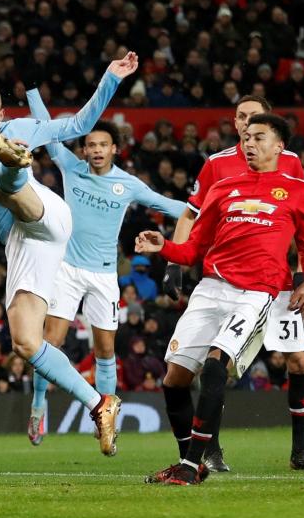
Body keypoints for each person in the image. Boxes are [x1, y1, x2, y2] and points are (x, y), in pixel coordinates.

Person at [0, 50, 139, 455]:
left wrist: (111, 78)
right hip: (25, 243)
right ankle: (100, 403)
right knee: (26, 343)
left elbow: (81, 124)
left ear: (2, 118)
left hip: (47, 214)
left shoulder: (23, 129)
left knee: (2, 185)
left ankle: (13, 166)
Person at [137, 114, 304, 485]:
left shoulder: (299, 190)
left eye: (259, 137)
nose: (249, 143)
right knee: (174, 379)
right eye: (246, 137)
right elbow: (194, 249)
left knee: (215, 366)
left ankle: (191, 466)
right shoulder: (223, 188)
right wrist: (165, 248)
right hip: (210, 288)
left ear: (279, 146)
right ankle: (187, 459)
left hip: (255, 295)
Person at [19, 106, 184, 445]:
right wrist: (33, 91)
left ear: (114, 149)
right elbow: (48, 133)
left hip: (105, 276)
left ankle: (104, 420)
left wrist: (220, 209)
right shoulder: (70, 167)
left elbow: (170, 206)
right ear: (83, 149)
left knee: (105, 350)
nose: (95, 150)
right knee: (50, 343)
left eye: (102, 145)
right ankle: (38, 406)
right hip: (66, 269)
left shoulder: (128, 184)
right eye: (90, 144)